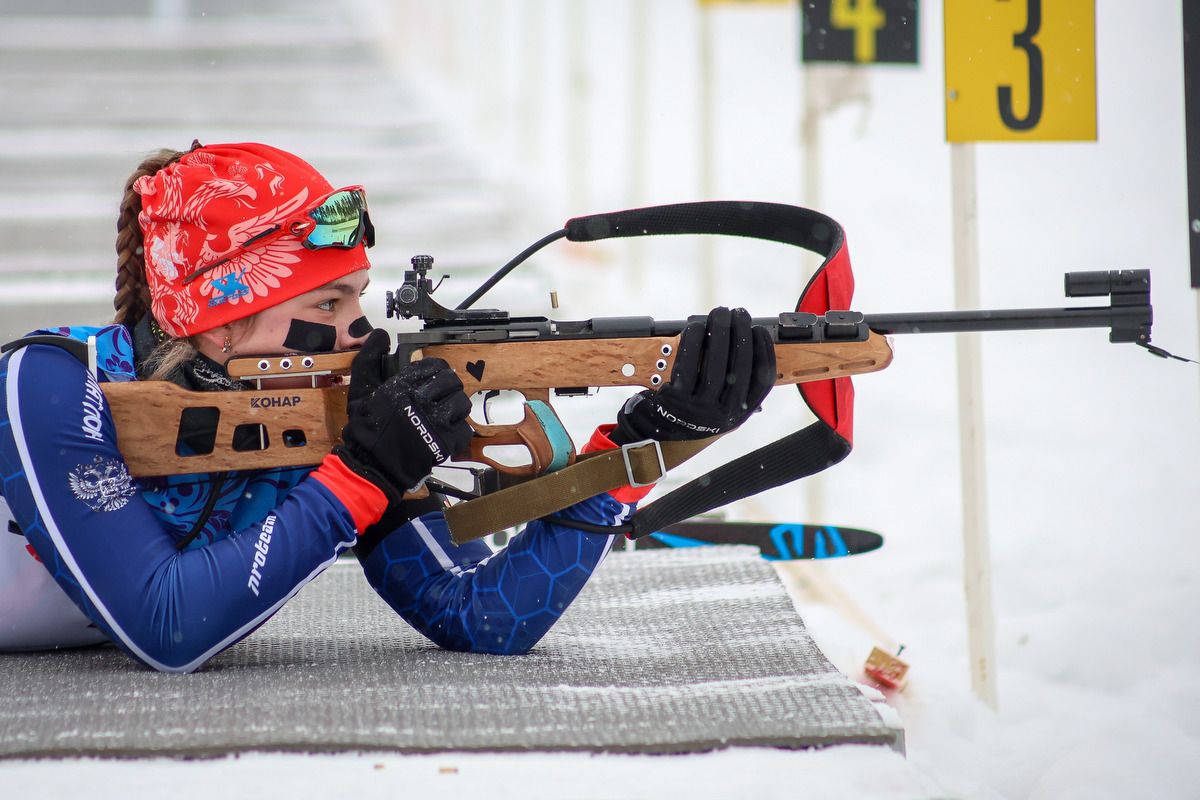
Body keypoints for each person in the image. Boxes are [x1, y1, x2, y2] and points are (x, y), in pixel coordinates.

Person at [0, 141, 776, 672]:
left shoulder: (316, 410)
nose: (359, 330)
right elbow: (165, 626)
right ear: (221, 314)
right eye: (331, 301)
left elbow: (482, 616)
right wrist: (362, 474)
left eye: (358, 298)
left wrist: (643, 446)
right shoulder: (48, 386)